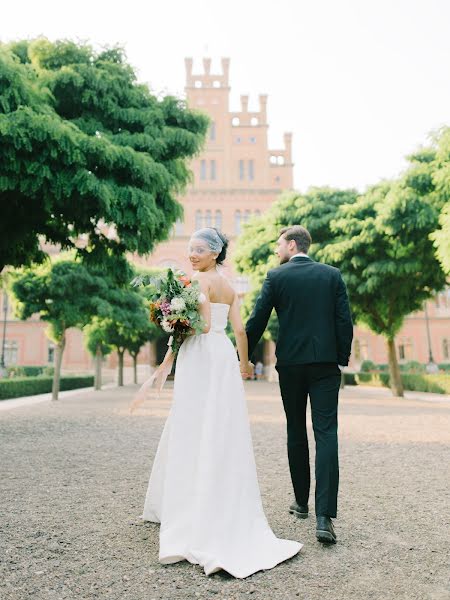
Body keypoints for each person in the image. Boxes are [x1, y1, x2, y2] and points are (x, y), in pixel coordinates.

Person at [140, 227, 302, 578]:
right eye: (190, 249)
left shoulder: (200, 282)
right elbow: (239, 331)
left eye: (199, 249)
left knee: (193, 420)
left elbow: (202, 326)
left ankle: (189, 504)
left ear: (215, 253)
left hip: (200, 353)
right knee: (220, 422)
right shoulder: (230, 287)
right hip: (223, 355)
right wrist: (243, 363)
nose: (192, 254)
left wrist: (173, 322)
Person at [246, 225, 353, 544]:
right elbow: (343, 320)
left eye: (279, 245)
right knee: (327, 433)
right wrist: (341, 358)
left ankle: (301, 503)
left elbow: (257, 320)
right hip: (324, 365)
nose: (276, 250)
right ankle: (324, 518)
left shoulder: (276, 277)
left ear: (292, 245)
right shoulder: (332, 275)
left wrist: (241, 357)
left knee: (295, 429)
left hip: (290, 364)